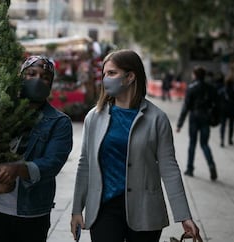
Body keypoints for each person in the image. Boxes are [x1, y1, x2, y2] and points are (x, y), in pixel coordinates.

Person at [70, 49, 201, 242]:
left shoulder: (157, 119)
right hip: (104, 208)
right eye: (104, 74)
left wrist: (184, 215)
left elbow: (169, 168)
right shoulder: (94, 117)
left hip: (145, 209)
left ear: (130, 76)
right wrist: (76, 210)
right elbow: (85, 164)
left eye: (112, 73)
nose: (106, 79)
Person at [0, 55, 73, 242]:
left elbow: (52, 163)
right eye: (31, 73)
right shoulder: (0, 113)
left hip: (32, 214)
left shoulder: (59, 123)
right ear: (21, 78)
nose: (38, 79)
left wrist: (20, 169)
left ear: (51, 84)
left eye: (45, 77)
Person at [176, 66, 218, 181]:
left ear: (195, 75)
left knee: (192, 143)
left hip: (194, 117)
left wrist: (180, 124)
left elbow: (186, 107)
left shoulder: (191, 88)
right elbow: (216, 104)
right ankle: (211, 165)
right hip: (206, 118)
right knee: (204, 144)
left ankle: (190, 168)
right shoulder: (211, 88)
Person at [218, 74, 234, 147]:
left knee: (223, 125)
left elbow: (218, 101)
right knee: (231, 125)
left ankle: (222, 140)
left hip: (223, 110)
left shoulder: (222, 90)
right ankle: (230, 140)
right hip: (232, 110)